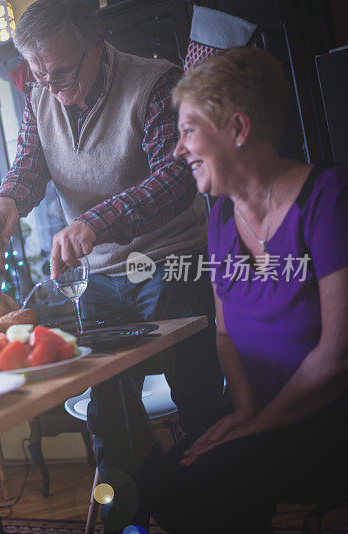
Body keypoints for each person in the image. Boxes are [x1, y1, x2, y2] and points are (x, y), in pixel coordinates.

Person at [0, 1, 224, 529]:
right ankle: (142, 517)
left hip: (169, 260)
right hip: (100, 277)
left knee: (197, 398)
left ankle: (213, 515)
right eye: (37, 72)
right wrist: (6, 200)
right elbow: (27, 168)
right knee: (110, 417)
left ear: (96, 45)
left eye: (61, 70)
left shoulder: (157, 83)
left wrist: (96, 222)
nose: (49, 82)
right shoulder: (41, 92)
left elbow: (177, 179)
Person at [132, 46, 348, 533]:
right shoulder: (220, 218)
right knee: (156, 485)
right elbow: (225, 334)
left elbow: (337, 354)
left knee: (206, 485)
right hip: (261, 412)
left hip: (329, 421)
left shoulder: (330, 199)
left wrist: (260, 424)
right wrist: (246, 409)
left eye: (188, 130)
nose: (177, 149)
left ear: (238, 128)